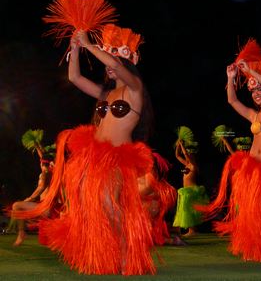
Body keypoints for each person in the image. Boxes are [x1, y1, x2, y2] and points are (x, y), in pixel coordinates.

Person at [14, 25, 156, 275]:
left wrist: (91, 45)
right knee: (86, 205)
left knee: (109, 206)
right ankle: (101, 253)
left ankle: (127, 255)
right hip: (93, 156)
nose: (109, 67)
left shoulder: (135, 89)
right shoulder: (106, 93)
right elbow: (75, 78)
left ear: (126, 63)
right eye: (107, 62)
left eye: (114, 61)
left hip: (117, 157)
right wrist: (76, 48)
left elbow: (120, 67)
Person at [197, 39, 261, 263]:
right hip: (252, 169)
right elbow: (232, 101)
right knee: (252, 213)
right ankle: (257, 248)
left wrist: (252, 72)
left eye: (259, 89)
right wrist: (231, 78)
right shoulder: (254, 116)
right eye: (253, 91)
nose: (257, 93)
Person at [10, 158, 53, 246]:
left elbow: (41, 188)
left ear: (41, 164)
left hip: (45, 208)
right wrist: (37, 146)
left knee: (16, 206)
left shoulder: (45, 174)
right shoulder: (54, 174)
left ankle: (22, 233)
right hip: (50, 208)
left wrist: (29, 199)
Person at [172, 139, 209, 237]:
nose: (187, 156)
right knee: (187, 210)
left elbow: (185, 154)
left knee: (189, 210)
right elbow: (177, 156)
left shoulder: (193, 166)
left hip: (192, 191)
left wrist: (182, 145)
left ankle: (192, 231)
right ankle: (192, 230)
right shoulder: (187, 164)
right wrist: (178, 146)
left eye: (189, 155)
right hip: (186, 191)